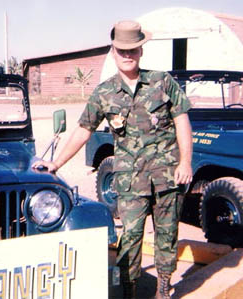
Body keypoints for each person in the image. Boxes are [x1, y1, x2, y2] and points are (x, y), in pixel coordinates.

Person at [32, 20, 193, 299]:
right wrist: (56, 163)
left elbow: (182, 121)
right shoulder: (104, 92)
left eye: (133, 50)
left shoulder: (161, 81)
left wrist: (186, 162)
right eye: (122, 50)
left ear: (141, 51)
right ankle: (129, 291)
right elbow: (83, 130)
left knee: (167, 236)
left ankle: (163, 288)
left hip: (168, 177)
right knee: (130, 239)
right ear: (114, 52)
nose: (128, 55)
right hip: (131, 182)